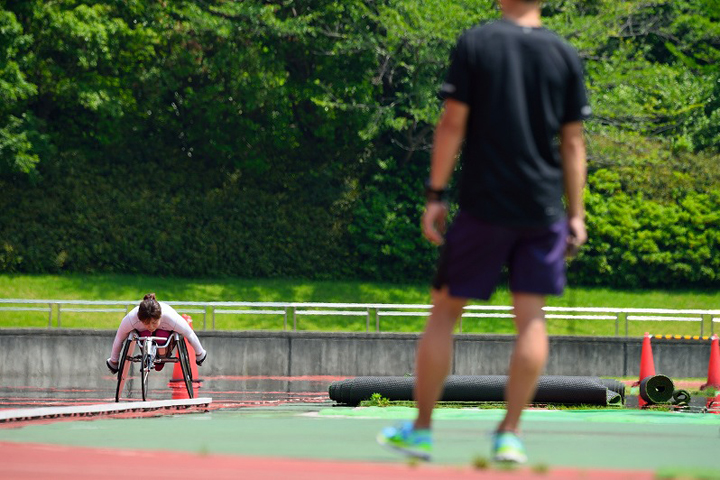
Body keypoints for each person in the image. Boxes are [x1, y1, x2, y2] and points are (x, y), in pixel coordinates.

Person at [377, 0, 589, 464]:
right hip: (541, 206)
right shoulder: (564, 54)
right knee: (530, 318)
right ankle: (510, 434)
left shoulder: (477, 43)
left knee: (445, 310)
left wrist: (435, 194)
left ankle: (422, 430)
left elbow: (453, 121)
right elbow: (572, 141)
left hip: (483, 204)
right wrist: (576, 213)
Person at [106, 293, 207, 373]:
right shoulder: (131, 318)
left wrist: (200, 353)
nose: (151, 327)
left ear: (160, 317)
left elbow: (189, 334)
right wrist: (114, 361)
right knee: (145, 334)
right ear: (140, 319)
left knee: (160, 335)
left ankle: (161, 356)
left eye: (154, 323)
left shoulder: (169, 316)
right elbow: (119, 338)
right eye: (146, 323)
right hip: (143, 336)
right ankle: (149, 354)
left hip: (165, 337)